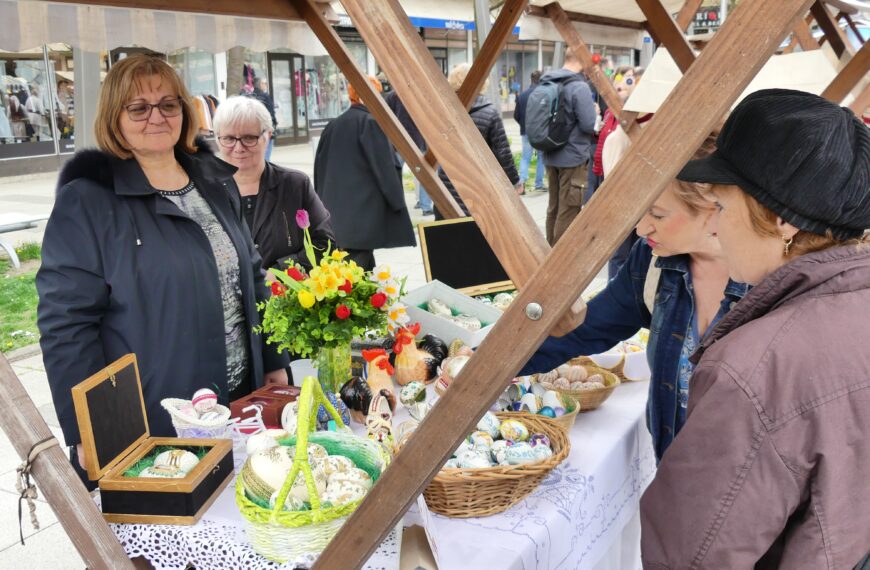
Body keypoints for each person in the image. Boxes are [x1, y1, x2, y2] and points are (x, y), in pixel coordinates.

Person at [640, 89, 870, 568]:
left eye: (722, 207)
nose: (717, 229)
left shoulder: (753, 370)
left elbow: (692, 557)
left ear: (782, 219)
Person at [36, 55, 289, 476]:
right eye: (138, 107)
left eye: (168, 104)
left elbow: (254, 275)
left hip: (242, 399)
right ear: (114, 117)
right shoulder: (89, 202)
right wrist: (91, 428)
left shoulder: (215, 181)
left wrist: (274, 361)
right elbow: (66, 325)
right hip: (160, 411)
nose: (156, 116)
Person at [521, 134, 747, 460]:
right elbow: (584, 330)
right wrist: (490, 364)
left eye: (657, 214)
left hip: (754, 495)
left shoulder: (773, 278)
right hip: (675, 477)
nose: (641, 228)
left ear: (713, 208)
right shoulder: (652, 263)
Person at [213, 96, 335, 273]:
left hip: (285, 296)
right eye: (229, 138)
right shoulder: (205, 192)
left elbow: (325, 244)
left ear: (267, 136)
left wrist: (281, 273)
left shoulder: (294, 185)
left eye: (249, 138)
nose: (238, 148)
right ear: (218, 139)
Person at [313, 75, 415, 271]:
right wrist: (397, 204)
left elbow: (319, 169)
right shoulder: (370, 122)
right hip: (362, 220)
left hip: (333, 218)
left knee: (347, 277)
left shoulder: (333, 125)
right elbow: (384, 168)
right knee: (359, 275)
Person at [435, 63, 521, 219]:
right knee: (479, 231)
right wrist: (515, 182)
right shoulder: (490, 112)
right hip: (479, 184)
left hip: (448, 182)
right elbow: (502, 152)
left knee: (448, 232)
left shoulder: (442, 109)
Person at [539, 49, 597, 245]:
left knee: (553, 207)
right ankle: (559, 258)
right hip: (572, 157)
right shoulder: (579, 87)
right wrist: (594, 112)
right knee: (568, 209)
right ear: (581, 60)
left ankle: (549, 250)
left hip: (549, 153)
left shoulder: (547, 81)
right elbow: (588, 124)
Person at [384, 88, 433, 215]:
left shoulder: (393, 96)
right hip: (416, 142)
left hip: (399, 143)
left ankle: (398, 206)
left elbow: (385, 117)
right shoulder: (420, 94)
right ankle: (425, 207)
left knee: (394, 175)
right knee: (424, 176)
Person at [514, 70, 545, 193]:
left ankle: (522, 182)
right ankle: (539, 184)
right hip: (540, 131)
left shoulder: (522, 95)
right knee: (541, 157)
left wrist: (523, 125)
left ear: (531, 79)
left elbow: (516, 115)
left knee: (525, 157)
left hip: (525, 131)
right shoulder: (543, 94)